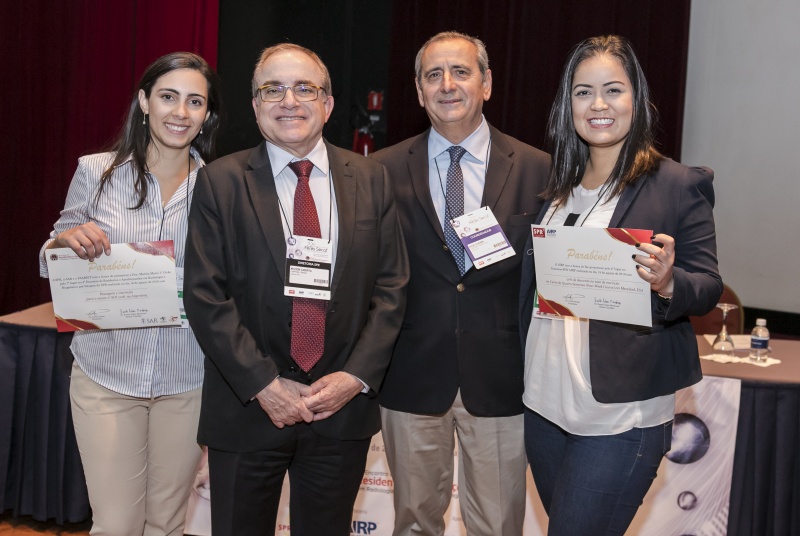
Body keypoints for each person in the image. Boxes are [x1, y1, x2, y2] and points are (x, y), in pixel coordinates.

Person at [182, 43, 408, 536]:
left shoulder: (372, 179)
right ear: (256, 107)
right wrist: (264, 385)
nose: (290, 100)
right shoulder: (219, 183)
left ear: (327, 104)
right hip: (247, 408)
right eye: (273, 89)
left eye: (305, 88)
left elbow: (392, 289)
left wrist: (355, 377)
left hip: (340, 410)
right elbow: (205, 295)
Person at [519, 35, 723, 535]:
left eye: (614, 89)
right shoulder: (556, 189)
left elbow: (709, 285)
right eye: (583, 92)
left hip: (619, 417)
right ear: (568, 105)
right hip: (543, 407)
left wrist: (668, 281)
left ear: (638, 99)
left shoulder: (676, 184)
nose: (599, 105)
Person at [372, 31, 550, 536]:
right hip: (410, 377)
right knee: (412, 523)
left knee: (497, 525)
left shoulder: (538, 169)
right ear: (418, 89)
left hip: (501, 380)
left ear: (487, 83)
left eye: (461, 72)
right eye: (433, 75)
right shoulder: (379, 171)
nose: (447, 85)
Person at [39, 52, 222, 535]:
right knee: (116, 525)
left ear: (207, 115)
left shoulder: (221, 187)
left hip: (187, 380)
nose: (180, 112)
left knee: (165, 524)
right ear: (144, 102)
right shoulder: (96, 171)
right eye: (167, 97)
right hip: (106, 377)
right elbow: (49, 257)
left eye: (194, 101)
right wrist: (63, 243)